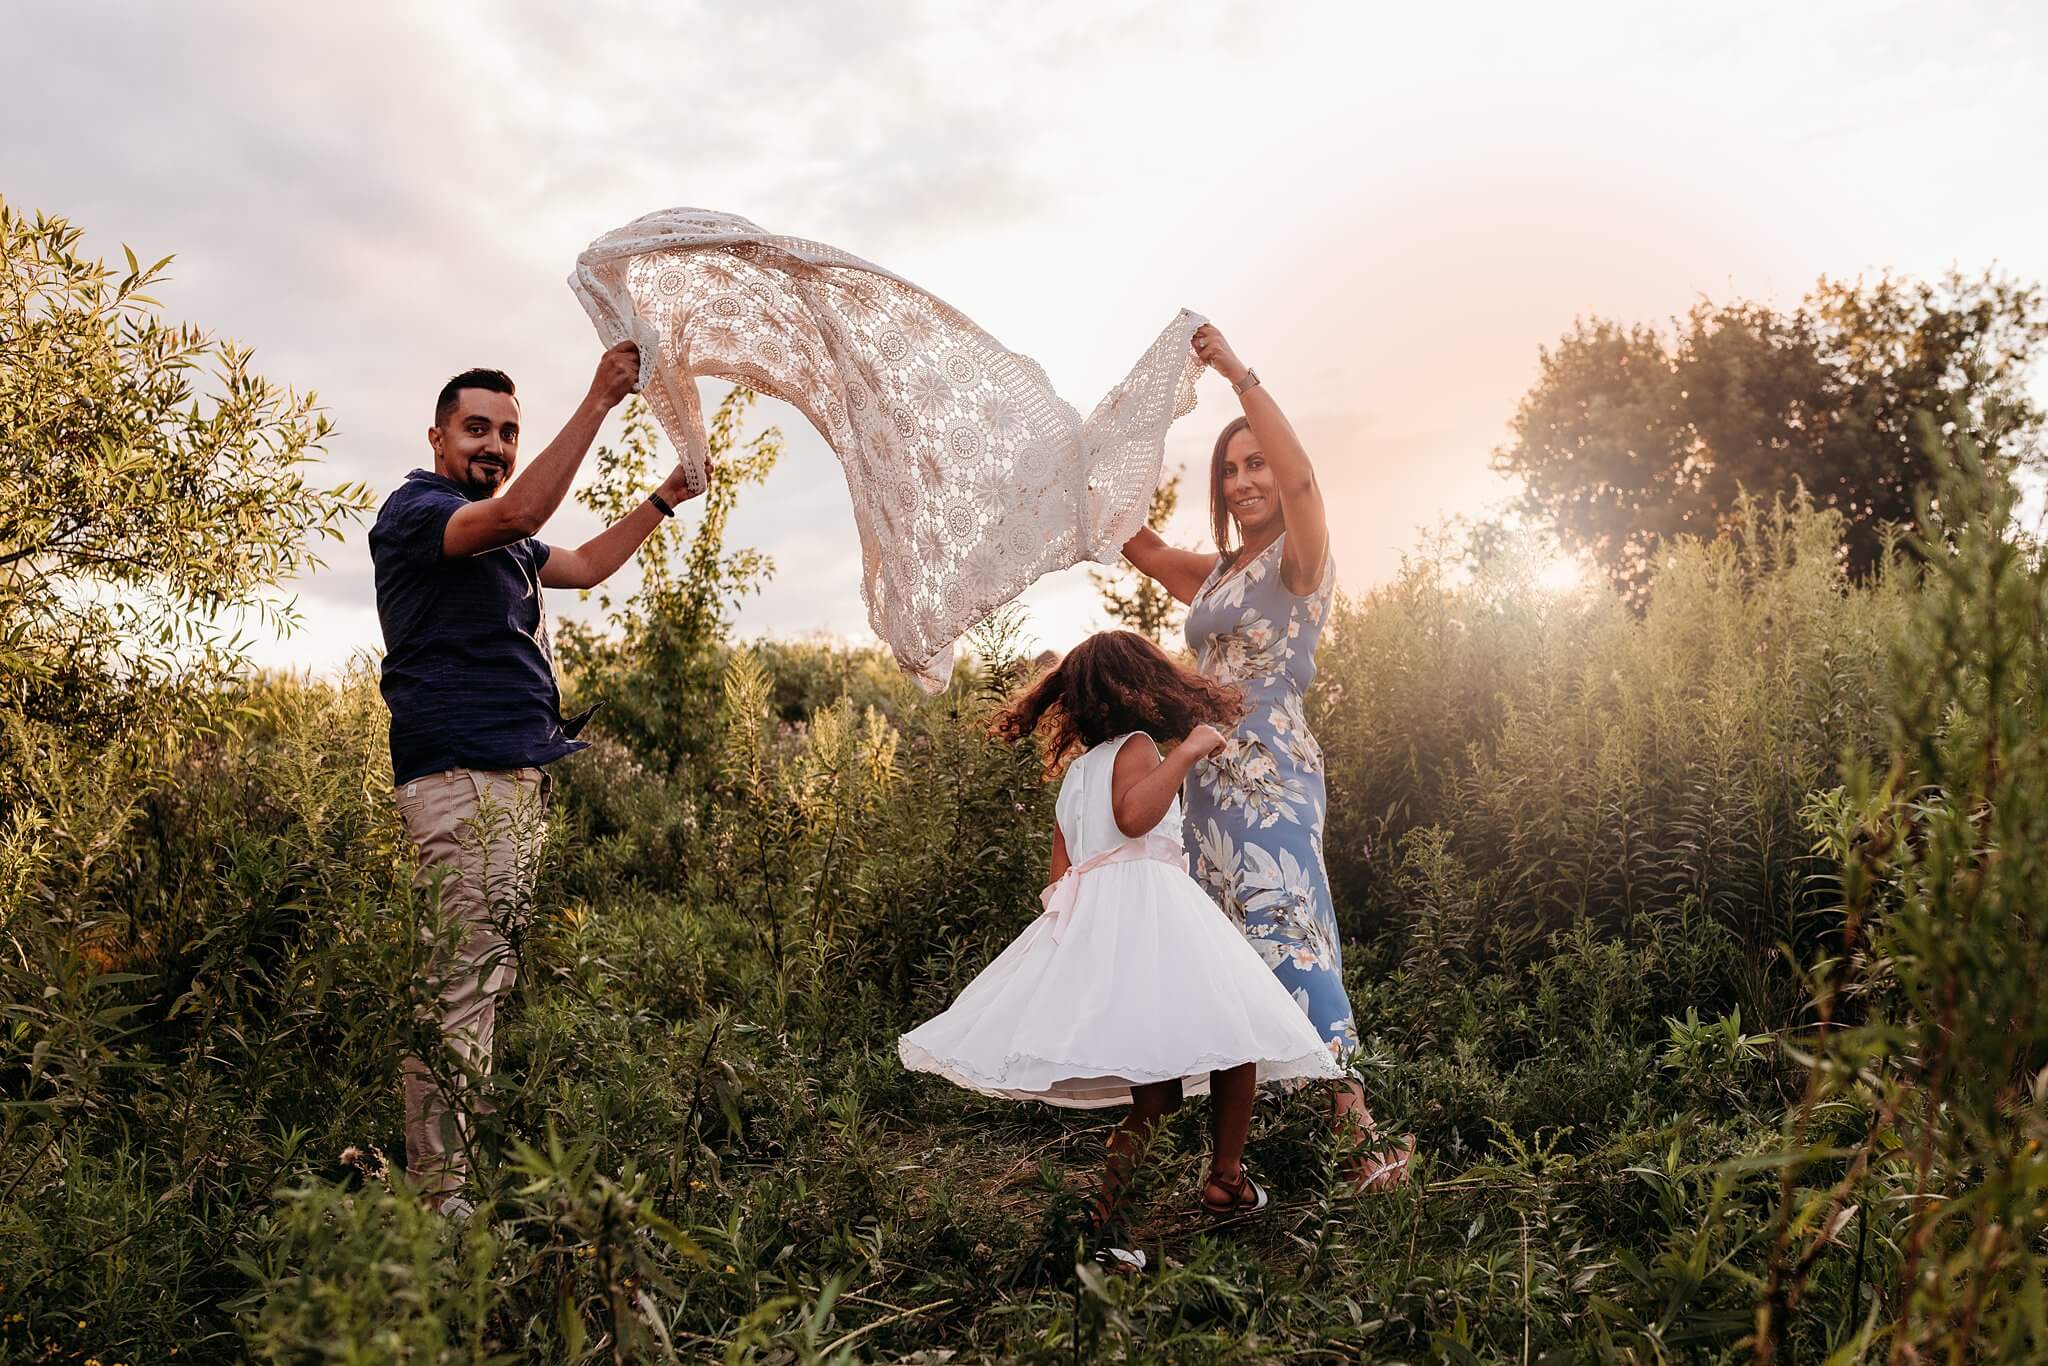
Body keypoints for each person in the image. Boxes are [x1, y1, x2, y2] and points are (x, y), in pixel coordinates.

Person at [370, 340, 700, 1217]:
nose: (497, 446)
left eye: (509, 433)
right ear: (438, 436)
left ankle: (449, 1186)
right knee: (461, 991)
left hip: (506, 782)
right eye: (478, 429)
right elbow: (517, 516)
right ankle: (438, 1203)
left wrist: (663, 498)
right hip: (463, 782)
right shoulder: (418, 512)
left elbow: (584, 566)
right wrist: (597, 399)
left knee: (478, 985)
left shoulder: (500, 539)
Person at [899, 631, 1342, 1252]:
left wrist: (1085, 937)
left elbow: (1058, 878)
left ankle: (1113, 1229)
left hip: (1106, 924)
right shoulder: (1137, 748)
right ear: (1143, 689)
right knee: (1236, 1037)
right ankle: (1224, 1176)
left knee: (1155, 1097)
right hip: (1155, 916)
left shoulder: (1076, 775)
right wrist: (1186, 751)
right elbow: (1136, 817)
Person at [1120, 323, 1416, 1190]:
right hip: (1206, 783)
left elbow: (1305, 478)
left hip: (1272, 774)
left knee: (1291, 936)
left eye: (1256, 467)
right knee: (1225, 954)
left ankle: (1361, 1144)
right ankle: (1226, 1166)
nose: (1247, 481)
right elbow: (1134, 543)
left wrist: (1237, 374)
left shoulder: (1300, 559)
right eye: (1231, 470)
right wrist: (1076, 477)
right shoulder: (1216, 577)